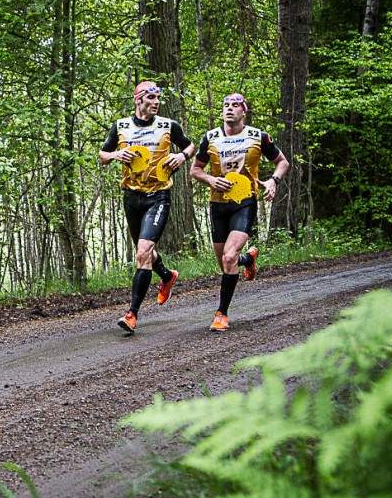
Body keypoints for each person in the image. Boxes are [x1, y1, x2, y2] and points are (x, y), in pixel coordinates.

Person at [98, 81, 196, 335]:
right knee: (146, 254)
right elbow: (102, 155)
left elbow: (189, 146)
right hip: (131, 196)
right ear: (138, 100)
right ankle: (166, 276)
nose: (156, 103)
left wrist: (181, 157)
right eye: (151, 98)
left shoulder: (168, 125)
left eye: (158, 99)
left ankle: (132, 314)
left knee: (143, 253)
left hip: (159, 195)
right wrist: (116, 156)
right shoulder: (121, 126)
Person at [190, 93, 289, 331]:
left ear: (244, 112)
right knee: (225, 264)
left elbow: (282, 161)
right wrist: (211, 180)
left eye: (235, 106)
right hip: (218, 204)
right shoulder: (210, 137)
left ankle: (221, 314)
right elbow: (195, 170)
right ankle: (249, 259)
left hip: (245, 202)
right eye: (226, 105)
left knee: (228, 257)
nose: (230, 109)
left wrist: (274, 181)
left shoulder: (258, 136)